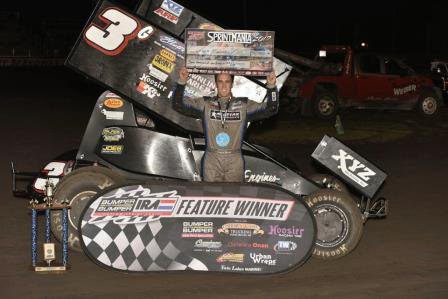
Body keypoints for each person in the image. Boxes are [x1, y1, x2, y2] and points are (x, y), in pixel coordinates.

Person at [172, 67, 278, 182]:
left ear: (232, 84)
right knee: (211, 197)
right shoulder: (206, 103)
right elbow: (178, 105)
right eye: (220, 81)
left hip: (234, 159)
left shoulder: (243, 105)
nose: (223, 86)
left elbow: (271, 109)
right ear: (216, 83)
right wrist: (182, 81)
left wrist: (271, 87)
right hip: (212, 159)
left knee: (233, 197)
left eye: (227, 82)